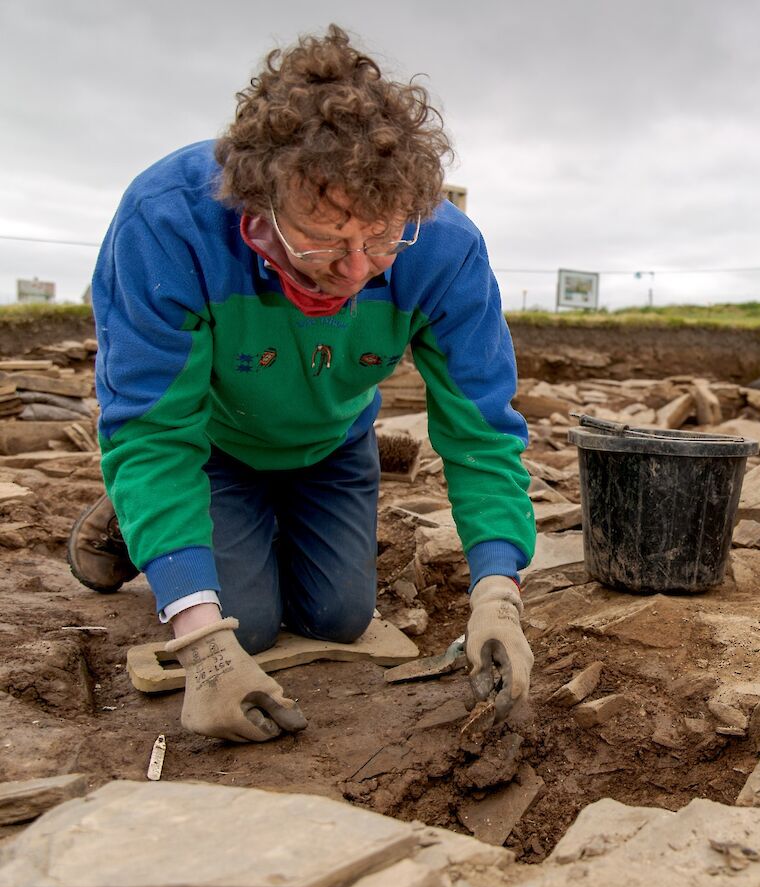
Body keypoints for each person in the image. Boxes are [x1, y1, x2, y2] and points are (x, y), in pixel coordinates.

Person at [66, 25, 535, 743]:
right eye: (320, 240)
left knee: (339, 619)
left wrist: (498, 589)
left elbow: (481, 429)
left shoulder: (443, 247)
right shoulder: (167, 222)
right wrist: (200, 644)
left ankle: (208, 529)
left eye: (378, 242)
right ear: (257, 199)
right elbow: (154, 428)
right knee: (242, 628)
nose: (352, 274)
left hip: (331, 440)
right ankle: (145, 517)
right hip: (212, 442)